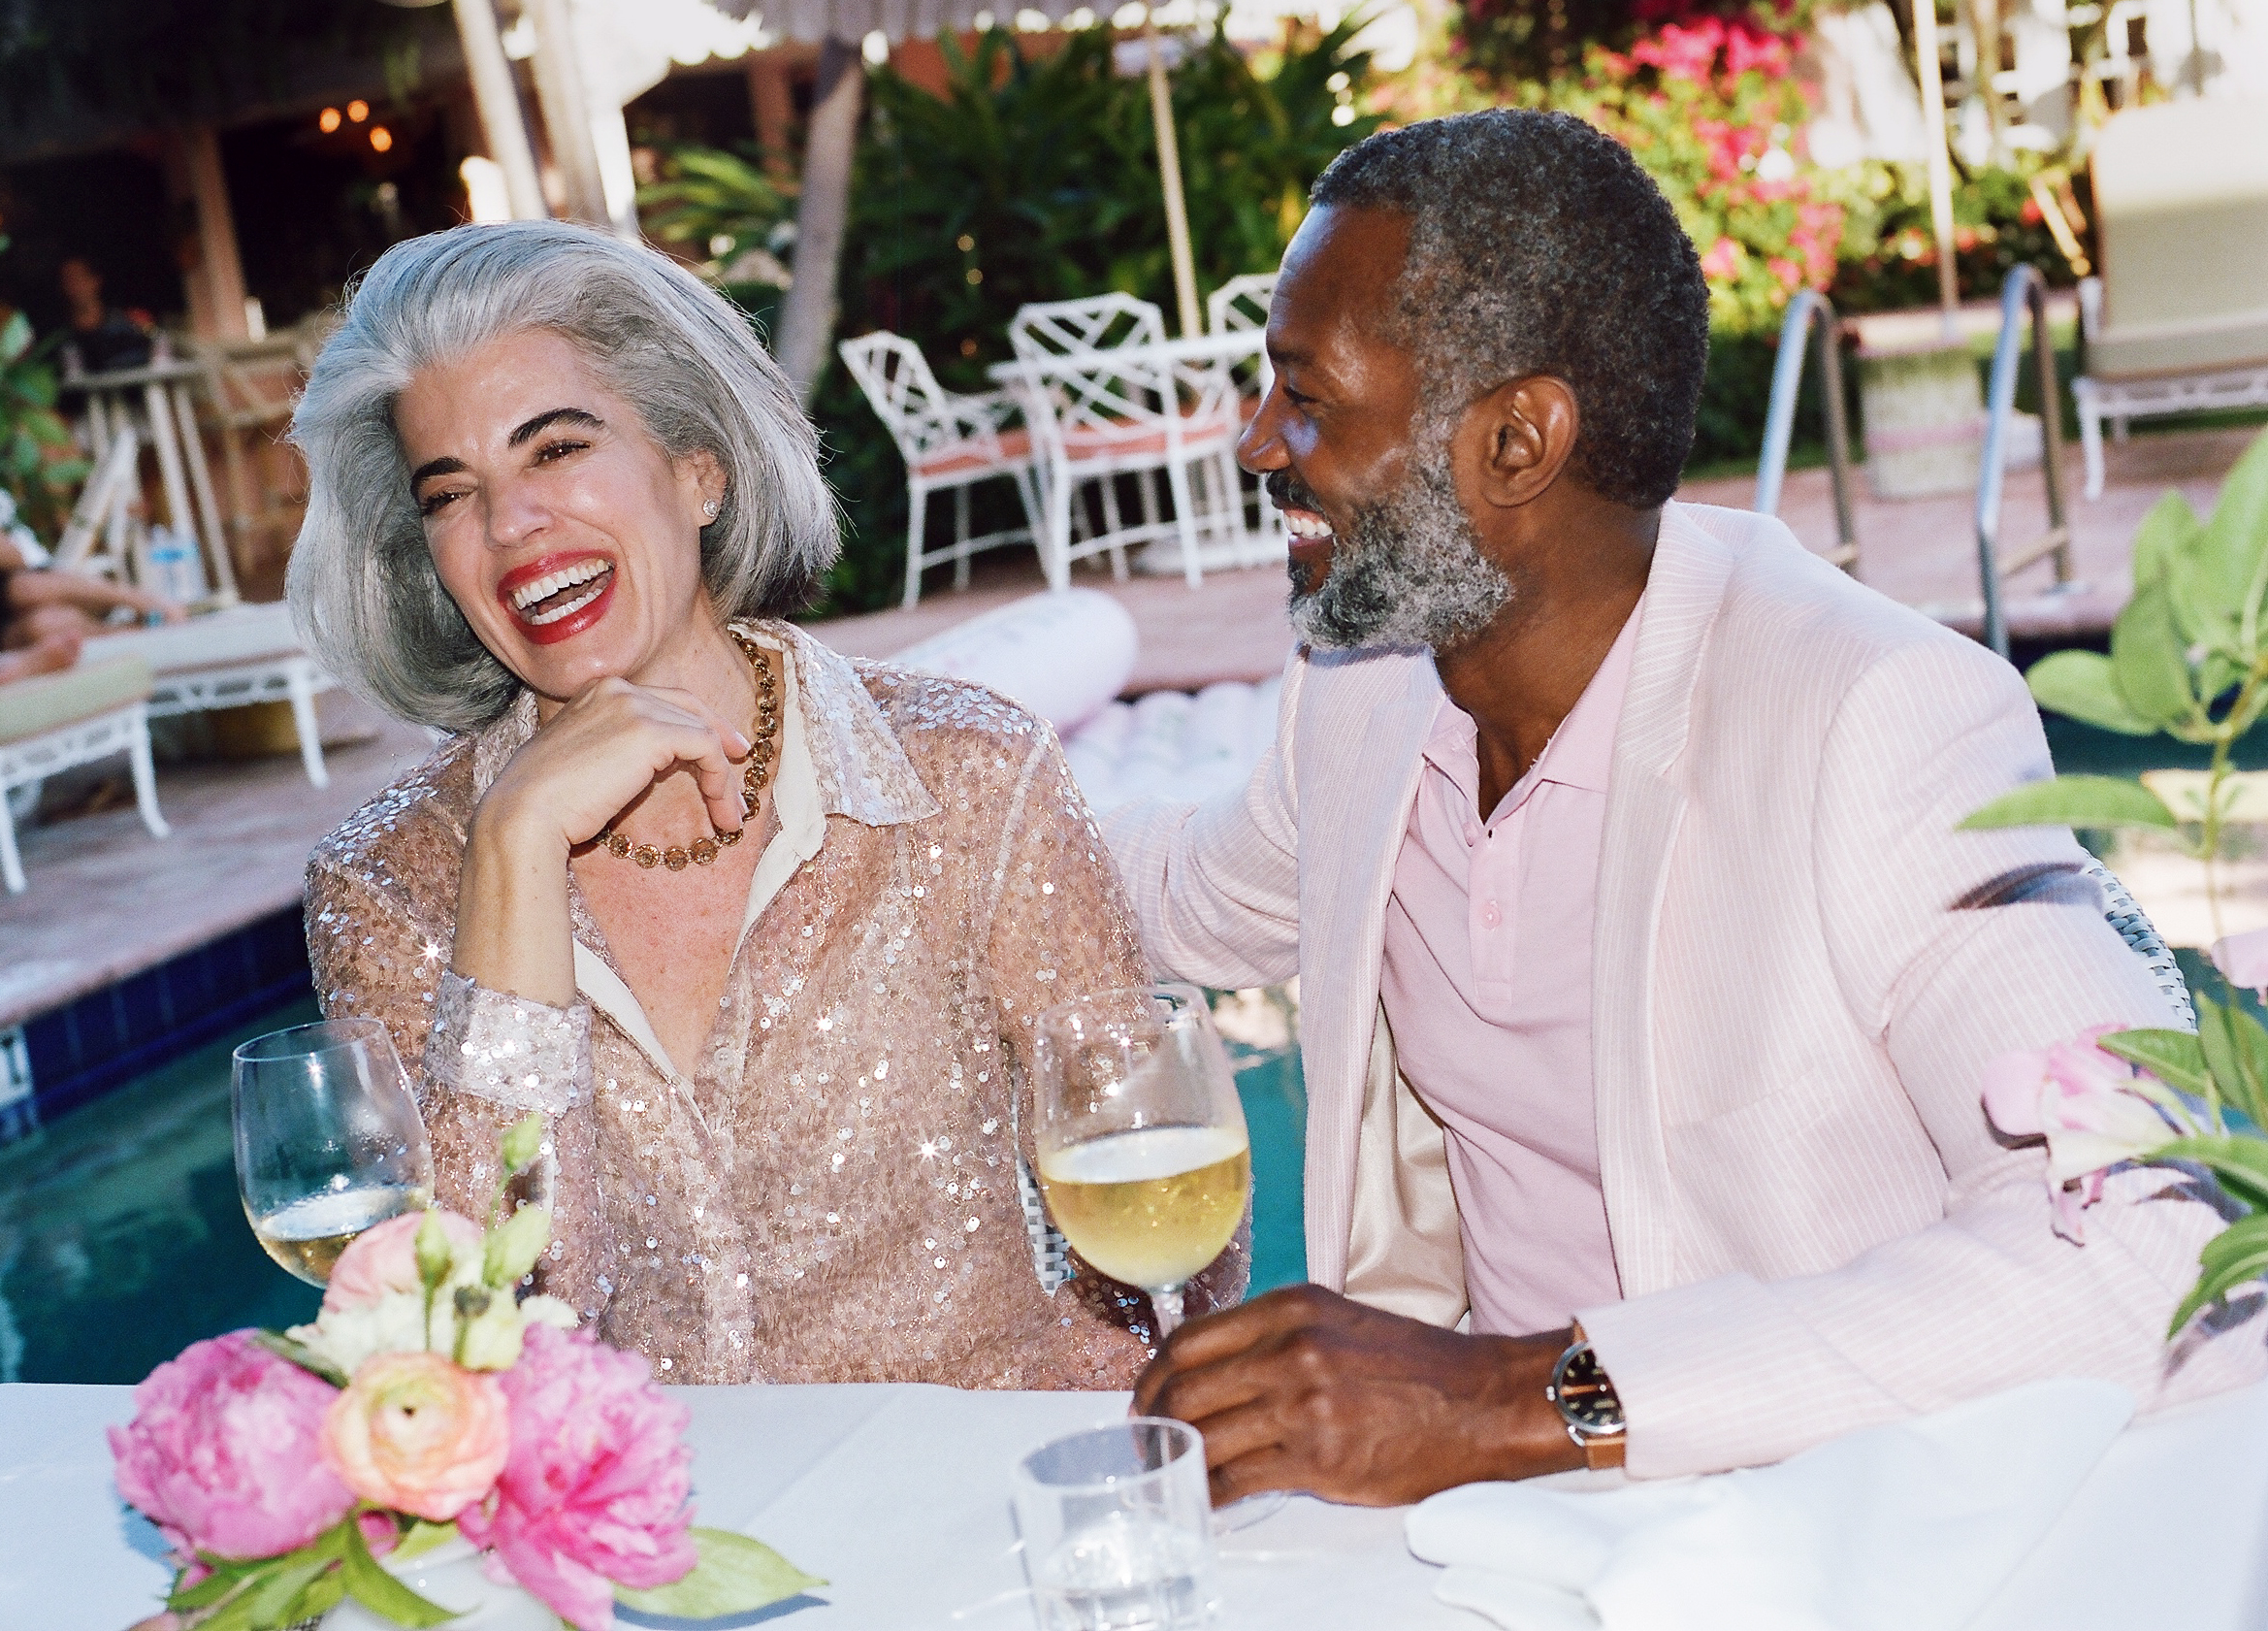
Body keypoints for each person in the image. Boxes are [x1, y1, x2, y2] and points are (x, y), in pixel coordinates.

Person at [1108, 110, 2264, 1505]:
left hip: (1813, 1522)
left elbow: (2151, 1248)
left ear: (1516, 442)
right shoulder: (1363, 692)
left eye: (1305, 396)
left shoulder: (1869, 716)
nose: (1256, 443)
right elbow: (1184, 895)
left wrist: (1509, 1398)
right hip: (1483, 1534)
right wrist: (924, 768)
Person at [287, 221, 1241, 1387]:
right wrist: (515, 851)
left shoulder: (968, 778)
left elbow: (1169, 1235)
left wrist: (1054, 1445)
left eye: (556, 449)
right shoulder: (388, 883)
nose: (510, 523)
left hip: (972, 1483)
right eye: (451, 492)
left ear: (699, 468)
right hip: (636, 1506)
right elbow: (480, 1330)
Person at [56, 257, 154, 376]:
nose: (73, 286)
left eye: (78, 278)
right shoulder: (60, 337)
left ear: (96, 281)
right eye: (67, 280)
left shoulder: (128, 322)